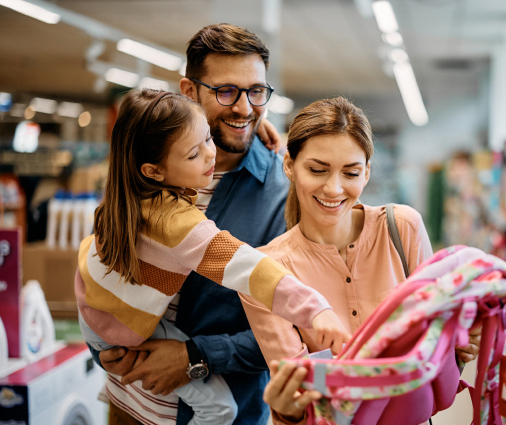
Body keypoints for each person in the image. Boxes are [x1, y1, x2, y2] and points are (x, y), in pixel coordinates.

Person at [78, 89, 351, 424]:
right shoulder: (178, 224)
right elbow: (251, 269)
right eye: (195, 153)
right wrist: (316, 309)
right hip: (124, 342)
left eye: (208, 138)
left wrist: (261, 127)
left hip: (96, 313)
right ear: (153, 170)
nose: (211, 154)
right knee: (220, 409)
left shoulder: (124, 196)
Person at [94, 24, 292, 425]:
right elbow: (106, 264)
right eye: (226, 91)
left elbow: (294, 331)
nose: (243, 108)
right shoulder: (147, 170)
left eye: (256, 91)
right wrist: (101, 343)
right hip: (129, 405)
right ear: (189, 91)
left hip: (219, 411)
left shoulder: (282, 194)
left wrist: (195, 357)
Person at [240, 97, 482, 424]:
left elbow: (435, 365)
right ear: (289, 165)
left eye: (351, 172)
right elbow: (299, 398)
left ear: (367, 172)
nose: (334, 188)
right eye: (317, 169)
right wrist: (289, 412)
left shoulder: (402, 229)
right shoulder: (268, 273)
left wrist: (457, 348)